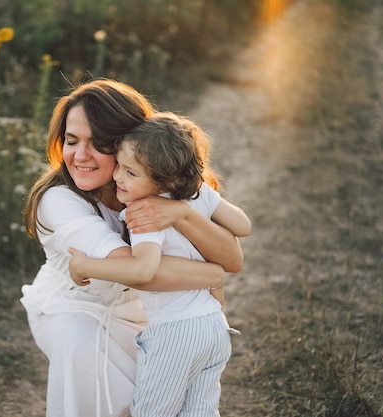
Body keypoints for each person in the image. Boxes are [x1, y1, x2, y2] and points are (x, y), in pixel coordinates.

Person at [21, 79, 244, 417]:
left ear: (130, 145)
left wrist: (182, 214)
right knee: (83, 349)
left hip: (142, 314)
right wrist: (212, 274)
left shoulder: (155, 190)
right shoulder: (57, 201)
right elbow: (141, 273)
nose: (80, 156)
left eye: (98, 144)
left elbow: (234, 257)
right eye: (71, 141)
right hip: (74, 308)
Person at [68, 112, 251, 417]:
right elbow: (243, 225)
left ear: (166, 180)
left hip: (175, 332)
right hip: (213, 325)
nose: (117, 178)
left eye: (130, 173)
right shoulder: (198, 192)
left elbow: (142, 270)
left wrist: (84, 266)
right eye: (121, 168)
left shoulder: (145, 213)